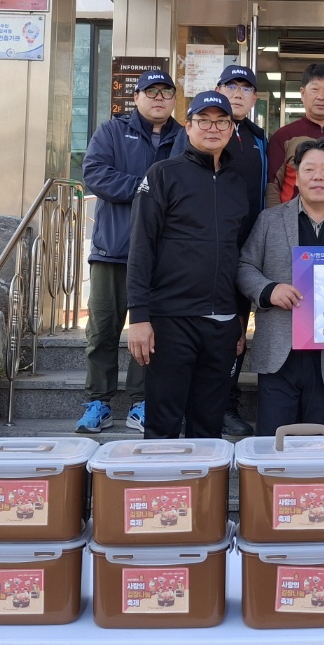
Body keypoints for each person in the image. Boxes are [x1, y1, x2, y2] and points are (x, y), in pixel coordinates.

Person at [125, 92, 252, 439]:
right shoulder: (163, 174)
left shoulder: (237, 183)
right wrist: (139, 317)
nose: (213, 128)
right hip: (170, 320)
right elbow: (141, 249)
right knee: (163, 424)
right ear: (189, 125)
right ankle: (162, 494)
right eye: (204, 120)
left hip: (222, 323)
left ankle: (203, 493)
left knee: (209, 427)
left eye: (222, 121)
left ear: (231, 128)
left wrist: (240, 316)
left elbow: (239, 255)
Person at [237, 138, 324, 434]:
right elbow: (244, 267)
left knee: (321, 450)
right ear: (297, 176)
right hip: (280, 354)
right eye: (309, 168)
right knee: (272, 447)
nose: (318, 176)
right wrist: (268, 289)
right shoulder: (269, 221)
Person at [77, 68, 177, 433]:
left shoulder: (182, 138)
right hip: (112, 251)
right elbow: (95, 174)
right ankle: (98, 402)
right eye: (151, 92)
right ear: (136, 98)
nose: (158, 99)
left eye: (166, 93)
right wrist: (145, 189)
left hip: (160, 255)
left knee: (149, 331)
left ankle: (142, 401)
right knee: (103, 330)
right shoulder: (112, 132)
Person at [172, 63, 268, 437]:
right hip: (196, 251)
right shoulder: (196, 135)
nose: (238, 93)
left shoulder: (260, 138)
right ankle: (183, 406)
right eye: (232, 86)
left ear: (254, 98)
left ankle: (225, 403)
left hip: (242, 250)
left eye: (246, 88)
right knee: (192, 330)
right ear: (219, 89)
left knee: (234, 332)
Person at [265, 63, 324, 209]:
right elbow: (273, 185)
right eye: (314, 89)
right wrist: (275, 222)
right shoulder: (283, 136)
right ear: (303, 94)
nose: (321, 96)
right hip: (293, 222)